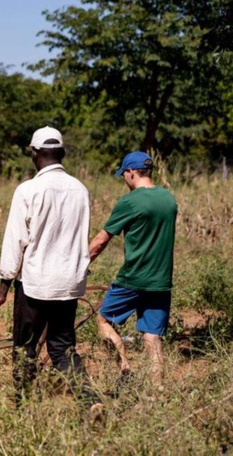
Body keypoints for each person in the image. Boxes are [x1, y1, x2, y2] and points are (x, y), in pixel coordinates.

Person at [0, 127, 101, 413]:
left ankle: (23, 409)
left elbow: (15, 242)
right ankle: (91, 401)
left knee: (25, 347)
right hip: (69, 284)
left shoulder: (28, 190)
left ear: (33, 153)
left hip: (35, 284)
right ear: (62, 153)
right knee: (62, 348)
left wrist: (1, 292)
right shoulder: (80, 189)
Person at [89, 151, 177, 389]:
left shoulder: (130, 201)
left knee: (103, 321)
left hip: (133, 279)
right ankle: (158, 391)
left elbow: (101, 240)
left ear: (131, 173)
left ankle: (124, 366)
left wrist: (81, 263)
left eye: (124, 175)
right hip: (161, 281)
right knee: (152, 336)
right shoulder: (169, 199)